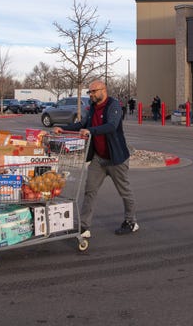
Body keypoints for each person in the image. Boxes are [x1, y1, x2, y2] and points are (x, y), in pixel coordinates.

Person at [55, 80, 138, 238]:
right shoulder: (92, 108)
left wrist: (90, 131)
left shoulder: (113, 106)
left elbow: (112, 126)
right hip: (99, 159)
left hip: (116, 159)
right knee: (89, 191)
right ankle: (84, 227)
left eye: (94, 91)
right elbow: (83, 124)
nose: (91, 94)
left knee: (124, 191)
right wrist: (63, 129)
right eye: (90, 92)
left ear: (103, 90)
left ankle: (131, 221)